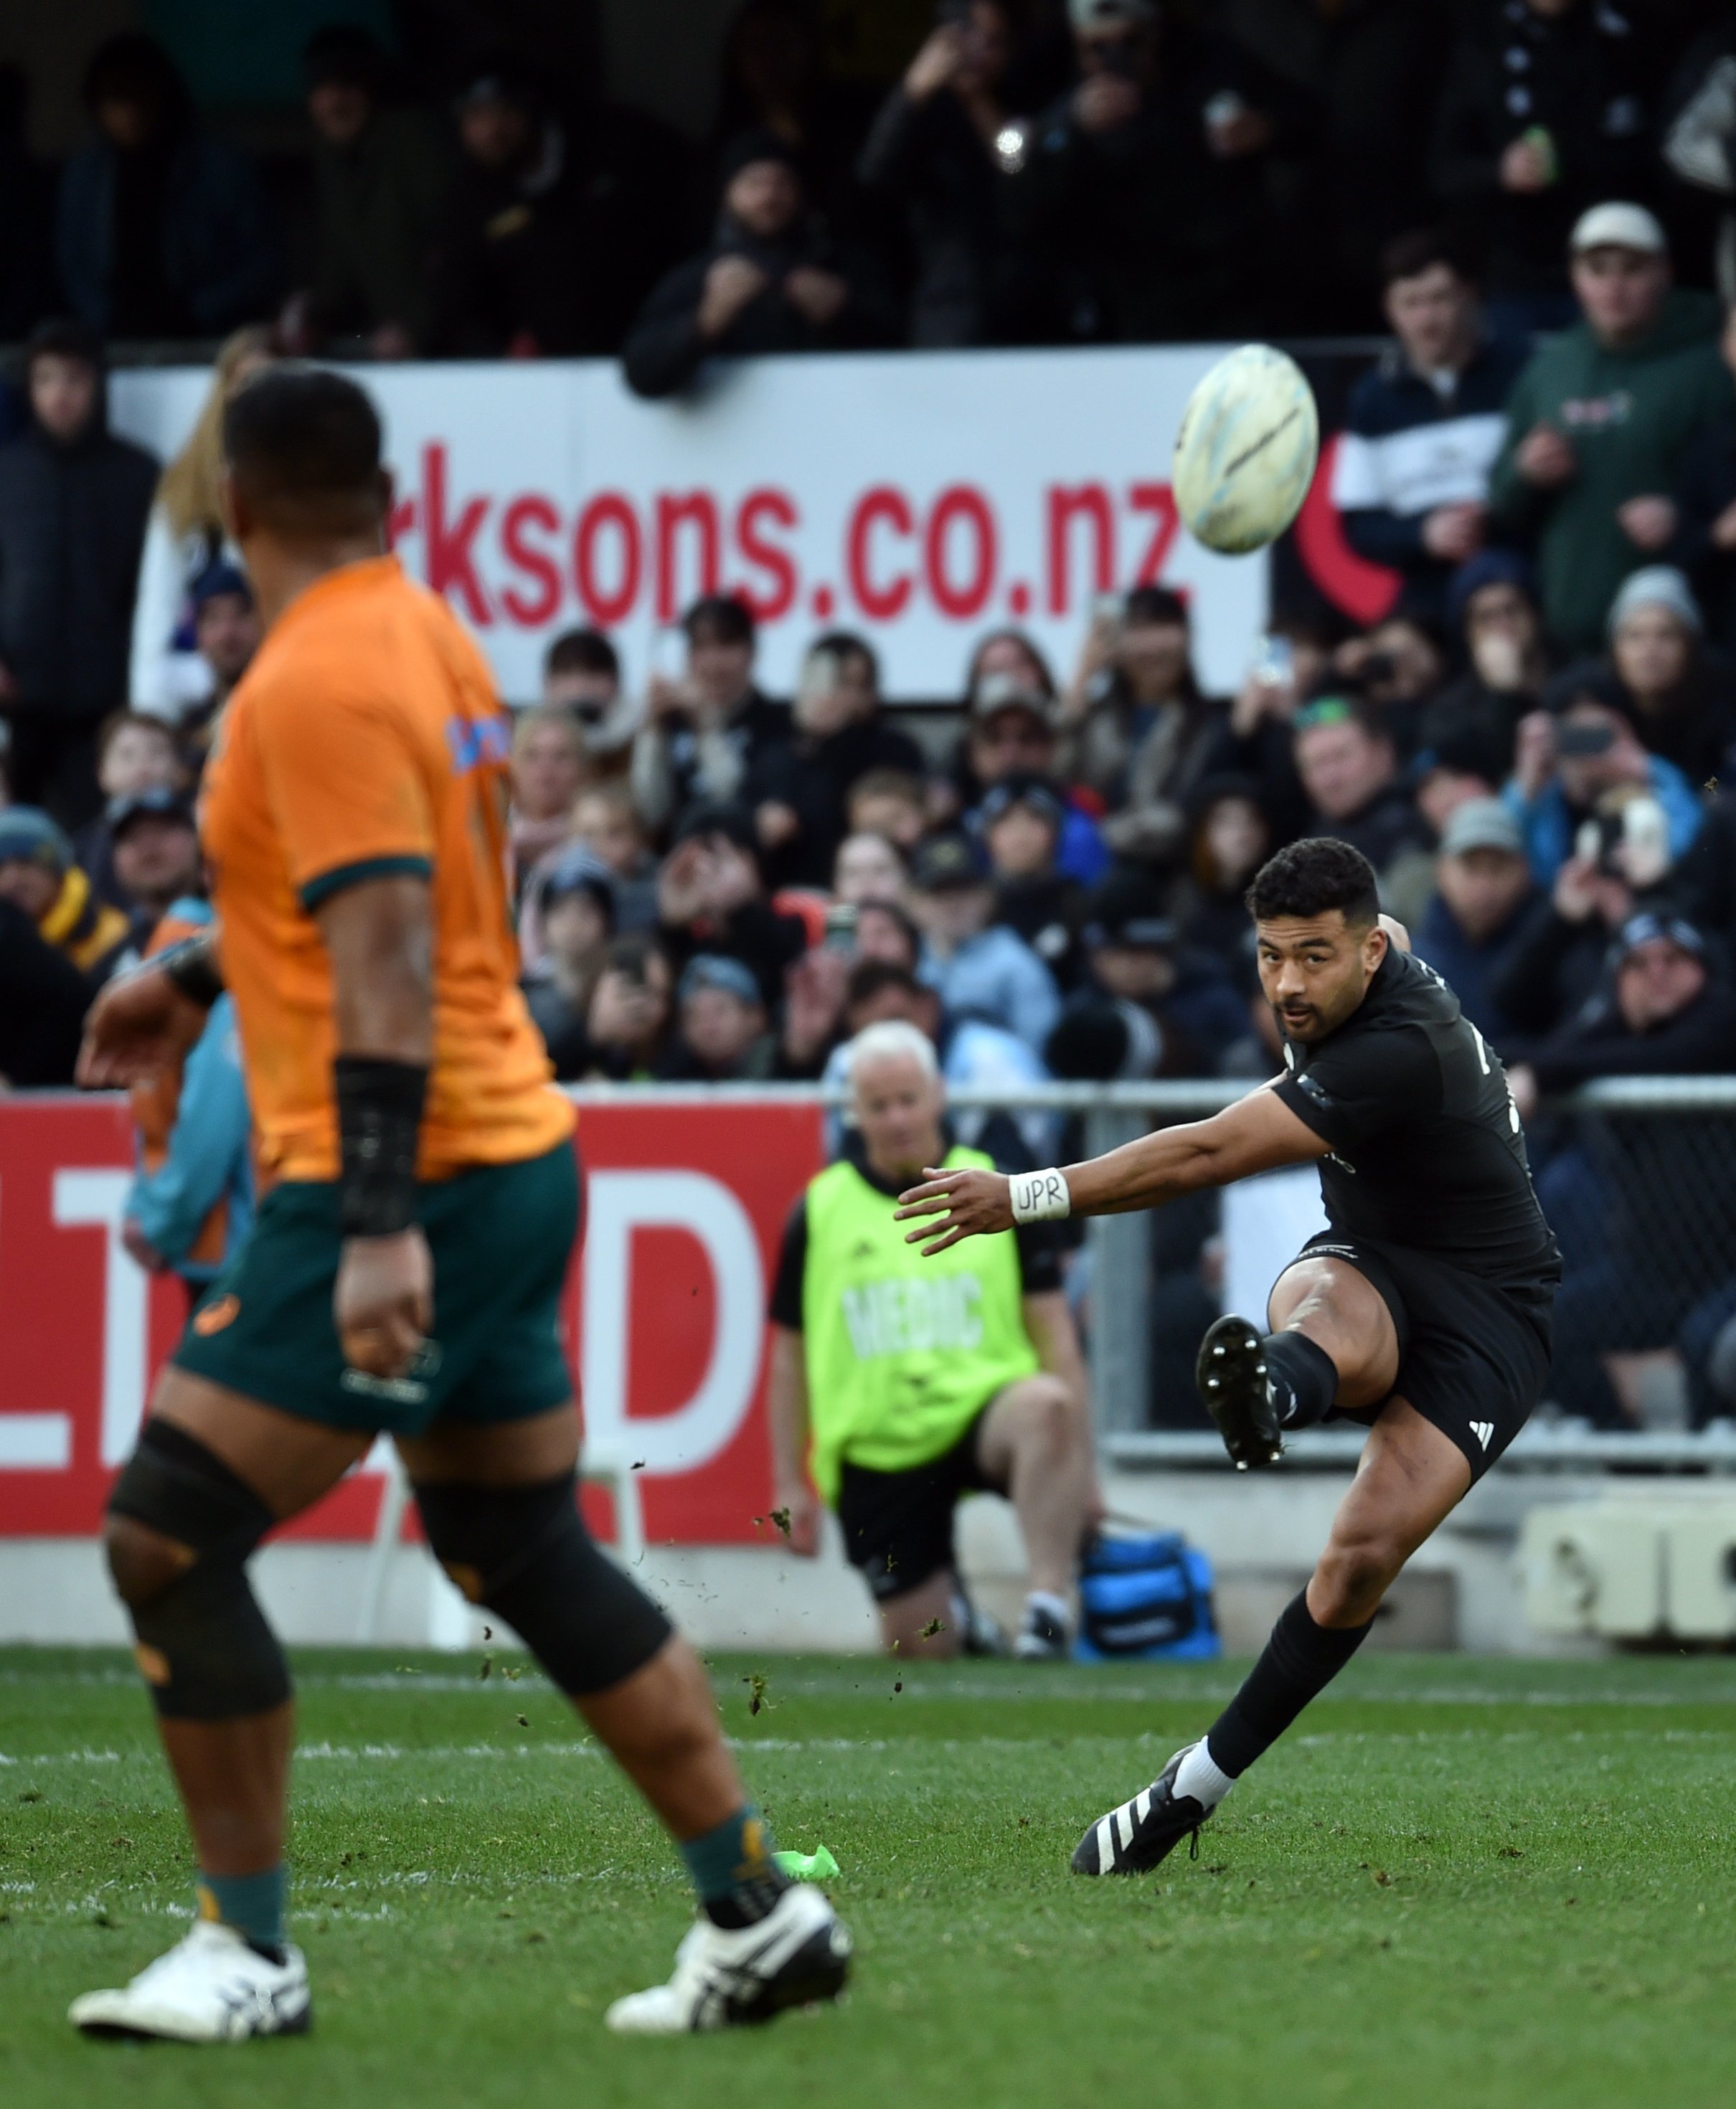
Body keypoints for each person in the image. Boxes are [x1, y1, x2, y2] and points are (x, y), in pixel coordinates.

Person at [67, 365, 849, 2042]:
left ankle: (246, 1951)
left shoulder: (314, 678)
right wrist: (202, 973)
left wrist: (366, 1225)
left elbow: (388, 955)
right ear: (388, 500)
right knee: (518, 1545)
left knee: (163, 1533)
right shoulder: (422, 634)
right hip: (509, 1155)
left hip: (405, 1172)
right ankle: (756, 1910)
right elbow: (403, 894)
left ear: (235, 515)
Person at [894, 838, 1560, 1875]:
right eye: (1269, 956)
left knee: (1357, 1564)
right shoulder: (1370, 966)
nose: (1288, 984)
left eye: (1313, 958)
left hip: (1494, 1312)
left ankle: (1191, 1785)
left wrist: (1025, 1194)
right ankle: (1272, 1390)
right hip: (1376, 1263)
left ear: (1369, 953)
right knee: (1322, 1298)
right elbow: (1386, 928)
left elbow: (1207, 1153)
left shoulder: (1398, 1048)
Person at [768, 1019, 1095, 1659]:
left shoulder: (999, 1190)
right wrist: (787, 1484)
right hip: (877, 1449)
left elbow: (1054, 1331)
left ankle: (1047, 1610)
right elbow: (788, 1356)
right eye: (878, 1105)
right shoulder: (819, 1211)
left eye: (908, 1099)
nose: (895, 1119)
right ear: (854, 1111)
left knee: (1046, 1407)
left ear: (939, 1094)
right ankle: (968, 1626)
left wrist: (1084, 1470)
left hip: (983, 1410)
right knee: (922, 1651)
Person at [1487, 203, 1730, 656]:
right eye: (1597, 270)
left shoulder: (1712, 365)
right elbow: (1502, 503)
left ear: (1665, 271)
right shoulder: (1551, 366)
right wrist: (1526, 473)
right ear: (1575, 278)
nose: (1614, 288)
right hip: (1572, 630)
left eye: (1632, 270)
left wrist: (1685, 518)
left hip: (1689, 635)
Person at [1011, 0, 1263, 343]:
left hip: (1205, 308)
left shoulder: (1204, 75)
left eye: (1130, 42)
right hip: (1097, 317)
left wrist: (1254, 128)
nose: (1114, 60)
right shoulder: (1046, 80)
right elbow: (1010, 168)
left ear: (1156, 34)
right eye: (1097, 48)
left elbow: (1300, 120)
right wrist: (1068, 125)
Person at [0, 319, 159, 825]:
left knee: (99, 842)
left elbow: (149, 591)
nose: (60, 395)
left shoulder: (138, 475)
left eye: (73, 379)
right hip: (17, 700)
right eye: (46, 380)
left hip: (103, 706)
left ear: (97, 384)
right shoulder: (8, 472)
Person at [1218, 0, 1450, 332]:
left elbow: (1442, 133)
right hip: (1276, 258)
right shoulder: (1250, 17)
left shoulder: (1412, 22)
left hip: (1389, 249)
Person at [1430, 0, 1659, 334]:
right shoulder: (1484, 41)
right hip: (1517, 273)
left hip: (1611, 269)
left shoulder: (1623, 34)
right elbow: (1443, 170)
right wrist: (1499, 173)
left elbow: (1656, 153)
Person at [1331, 232, 1529, 617]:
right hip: (1423, 599)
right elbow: (1357, 527)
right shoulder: (1372, 399)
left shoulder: (1522, 374)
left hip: (1519, 584)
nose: (1426, 319)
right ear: (1389, 309)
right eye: (1411, 303)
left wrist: (1493, 518)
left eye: (1439, 299)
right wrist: (1423, 534)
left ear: (1469, 295)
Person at [438, 56, 687, 358]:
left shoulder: (615, 147)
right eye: (473, 116)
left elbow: (679, 238)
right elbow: (461, 298)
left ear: (530, 105)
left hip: (652, 350)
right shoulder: (470, 193)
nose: (490, 129)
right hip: (544, 375)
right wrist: (500, 351)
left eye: (502, 110)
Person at [621, 130, 892, 400]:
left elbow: (908, 356)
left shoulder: (845, 266)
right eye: (753, 183)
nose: (768, 197)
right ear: (727, 195)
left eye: (782, 182)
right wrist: (706, 320)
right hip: (734, 439)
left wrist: (843, 316)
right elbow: (641, 376)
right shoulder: (697, 277)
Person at [57, 34, 276, 341]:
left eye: (138, 97)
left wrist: (196, 311)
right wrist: (108, 317)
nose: (128, 114)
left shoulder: (220, 167)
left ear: (163, 97)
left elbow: (258, 262)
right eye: (115, 100)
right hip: (112, 337)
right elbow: (73, 265)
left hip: (209, 337)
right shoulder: (88, 175)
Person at [857, 1, 1035, 346]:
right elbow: (874, 172)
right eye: (969, 39)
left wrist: (977, 100)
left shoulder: (1021, 100)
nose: (978, 53)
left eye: (993, 42)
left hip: (1021, 314)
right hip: (948, 316)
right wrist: (912, 91)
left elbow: (1016, 164)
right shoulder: (921, 112)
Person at [130, 326, 278, 724]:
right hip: (200, 704)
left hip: (285, 693)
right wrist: (153, 723)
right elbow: (156, 620)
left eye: (272, 384)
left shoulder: (308, 491)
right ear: (225, 392)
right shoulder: (185, 491)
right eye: (247, 383)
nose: (259, 397)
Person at [285, 28, 451, 361]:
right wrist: (312, 314)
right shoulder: (332, 158)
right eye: (321, 89)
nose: (333, 102)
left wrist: (415, 328)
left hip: (452, 350)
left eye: (346, 86)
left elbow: (455, 252)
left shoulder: (415, 142)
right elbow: (339, 267)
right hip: (394, 351)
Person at [123, 899, 253, 1303]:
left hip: (238, 1241)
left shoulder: (190, 951)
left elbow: (210, 1122)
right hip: (249, 1234)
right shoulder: (212, 946)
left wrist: (160, 1218)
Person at [745, 631, 925, 890]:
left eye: (858, 685)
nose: (845, 697)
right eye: (837, 683)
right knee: (838, 928)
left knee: (854, 925)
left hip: (877, 893)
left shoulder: (894, 750)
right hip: (802, 898)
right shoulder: (777, 753)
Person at [1059, 585, 1222, 868]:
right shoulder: (1096, 720)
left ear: (1187, 638)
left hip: (1173, 869)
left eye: (1165, 626)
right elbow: (1055, 779)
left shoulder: (1210, 726)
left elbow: (1182, 815)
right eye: (1139, 629)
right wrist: (1082, 679)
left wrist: (1103, 836)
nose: (1154, 645)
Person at [1505, 672, 1704, 887]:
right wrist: (1526, 787)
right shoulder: (1545, 796)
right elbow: (1506, 856)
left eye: (1596, 735)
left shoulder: (1655, 780)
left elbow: (1699, 842)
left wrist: (1646, 769)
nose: (1587, 749)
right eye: (1574, 736)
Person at [631, 594, 792, 829]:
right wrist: (651, 730)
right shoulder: (671, 721)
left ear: (751, 651)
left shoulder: (780, 722)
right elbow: (650, 810)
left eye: (726, 645)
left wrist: (706, 727)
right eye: (701, 647)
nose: (713, 662)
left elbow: (733, 804)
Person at [909, 830, 1060, 1054]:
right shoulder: (907, 955)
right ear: (917, 904)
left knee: (979, 1047)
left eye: (963, 891)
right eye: (939, 893)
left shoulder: (1014, 960)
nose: (952, 905)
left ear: (987, 897)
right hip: (917, 1077)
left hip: (1000, 1082)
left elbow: (1040, 1049)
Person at [1412, 796, 1544, 1050]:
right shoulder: (1416, 959)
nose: (1484, 886)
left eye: (1497, 869)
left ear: (1524, 871)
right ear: (1442, 871)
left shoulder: (1551, 945)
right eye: (1471, 869)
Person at [1291, 697, 1434, 926]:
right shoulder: (1305, 848)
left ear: (1383, 753)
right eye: (1316, 764)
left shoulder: (1428, 819)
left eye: (1341, 756)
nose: (1330, 778)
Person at [1601, 565, 1736, 783]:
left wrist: (1707, 796)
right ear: (1615, 648)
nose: (1649, 651)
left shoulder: (1723, 702)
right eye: (1635, 636)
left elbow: (1723, 778)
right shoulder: (1597, 703)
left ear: (1690, 647)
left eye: (1666, 635)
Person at [0, 805, 131, 984]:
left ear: (57, 869)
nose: (12, 880)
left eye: (25, 864)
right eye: (0, 870)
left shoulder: (116, 938)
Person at [74, 712, 189, 908]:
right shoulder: (85, 848)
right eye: (127, 755)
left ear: (179, 768)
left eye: (156, 753)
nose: (142, 766)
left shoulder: (201, 823)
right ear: (101, 773)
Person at [520, 848, 615, 1079]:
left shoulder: (617, 985)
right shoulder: (524, 993)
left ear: (608, 920)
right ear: (542, 922)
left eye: (586, 911)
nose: (573, 923)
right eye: (560, 910)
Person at [184, 562, 263, 766]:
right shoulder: (189, 731)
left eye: (241, 615)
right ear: (198, 634)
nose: (227, 632)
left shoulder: (282, 710)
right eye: (213, 618)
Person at [661, 953, 775, 1082]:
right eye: (695, 1015)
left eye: (720, 1010)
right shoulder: (674, 1074)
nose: (708, 1023)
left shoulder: (779, 1065)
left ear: (756, 1016)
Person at [109, 786, 203, 942]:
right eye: (133, 839)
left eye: (160, 831)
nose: (148, 849)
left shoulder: (243, 910)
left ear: (194, 835)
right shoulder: (121, 963)